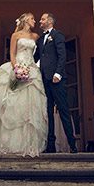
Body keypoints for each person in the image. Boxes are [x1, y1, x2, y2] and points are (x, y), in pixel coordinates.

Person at [0, 12, 48, 155]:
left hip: (32, 70)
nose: (34, 21)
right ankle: (8, 144)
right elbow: (12, 54)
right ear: (26, 20)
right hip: (17, 67)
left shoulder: (36, 36)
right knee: (12, 104)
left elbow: (41, 53)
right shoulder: (15, 35)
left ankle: (28, 144)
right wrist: (17, 69)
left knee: (30, 105)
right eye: (32, 19)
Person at [36, 12, 78, 153]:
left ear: (50, 21)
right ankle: (50, 146)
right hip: (44, 80)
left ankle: (72, 145)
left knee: (64, 110)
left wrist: (58, 73)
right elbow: (36, 58)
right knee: (48, 113)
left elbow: (62, 55)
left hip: (56, 80)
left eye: (42, 19)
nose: (40, 21)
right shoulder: (40, 39)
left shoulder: (58, 35)